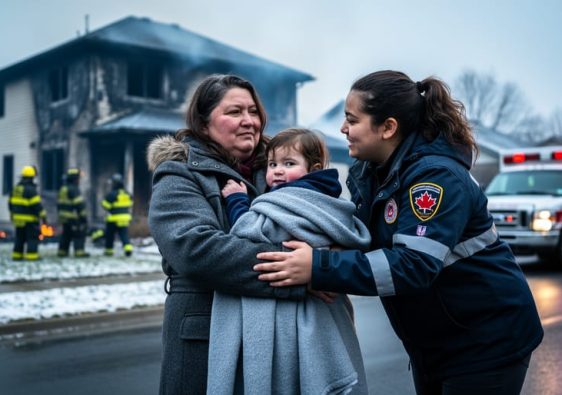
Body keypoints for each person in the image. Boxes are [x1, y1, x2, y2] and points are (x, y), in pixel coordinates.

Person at [254, 70, 544, 395]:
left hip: (486, 340)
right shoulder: (373, 173)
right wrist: (330, 259)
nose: (343, 129)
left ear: (388, 128)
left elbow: (412, 264)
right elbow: (368, 241)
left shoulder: (435, 179)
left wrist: (318, 267)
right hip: (435, 343)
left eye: (352, 119)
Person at [146, 74, 307, 395]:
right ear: (203, 124)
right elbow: (197, 250)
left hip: (274, 333)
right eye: (234, 112)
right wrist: (300, 272)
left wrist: (322, 259)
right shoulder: (178, 173)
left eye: (253, 111)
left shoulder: (278, 173)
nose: (249, 121)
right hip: (204, 334)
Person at [207, 128, 370, 394]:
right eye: (272, 164)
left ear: (313, 168)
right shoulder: (329, 201)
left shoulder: (292, 199)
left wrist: (237, 200)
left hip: (294, 311)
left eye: (289, 164)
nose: (278, 172)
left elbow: (248, 231)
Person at [8, 165, 47, 261]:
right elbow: (37, 205)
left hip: (18, 219)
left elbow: (10, 204)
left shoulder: (16, 188)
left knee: (19, 238)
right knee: (32, 238)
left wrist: (13, 215)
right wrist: (43, 217)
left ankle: (17, 256)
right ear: (31, 177)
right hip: (30, 220)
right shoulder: (31, 189)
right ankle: (32, 256)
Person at [57, 168, 89, 257]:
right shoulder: (74, 189)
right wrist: (84, 218)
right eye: (78, 178)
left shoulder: (63, 188)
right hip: (73, 217)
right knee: (79, 233)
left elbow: (59, 204)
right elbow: (79, 205)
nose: (79, 180)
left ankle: (62, 252)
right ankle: (79, 252)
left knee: (66, 235)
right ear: (74, 179)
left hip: (64, 217)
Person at [101, 173, 133, 257]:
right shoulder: (127, 194)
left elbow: (105, 205)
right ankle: (128, 249)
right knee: (124, 234)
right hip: (125, 218)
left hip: (113, 219)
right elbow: (130, 204)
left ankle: (109, 251)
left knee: (110, 235)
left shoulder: (112, 194)